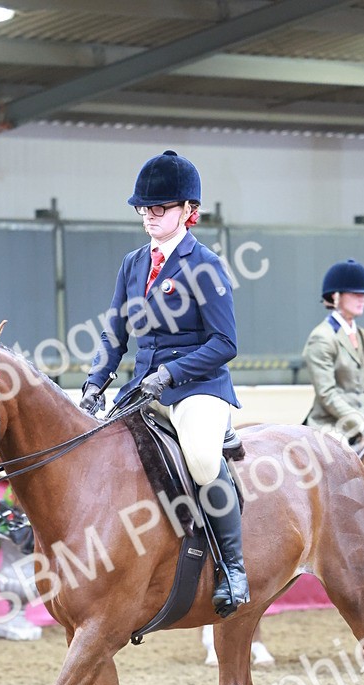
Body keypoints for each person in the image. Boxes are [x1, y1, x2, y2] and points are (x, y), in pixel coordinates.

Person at [81, 149, 249, 618]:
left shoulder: (206, 265)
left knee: (198, 458)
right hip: (142, 389)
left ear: (187, 212)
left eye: (159, 209)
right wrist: (95, 383)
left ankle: (233, 568)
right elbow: (115, 329)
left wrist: (171, 374)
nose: (149, 216)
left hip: (197, 388)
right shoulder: (133, 263)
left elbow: (225, 342)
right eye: (144, 209)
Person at [302, 258, 364, 445]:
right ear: (335, 297)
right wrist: (362, 422)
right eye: (355, 293)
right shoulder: (322, 337)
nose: (363, 298)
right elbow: (327, 395)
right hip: (332, 426)